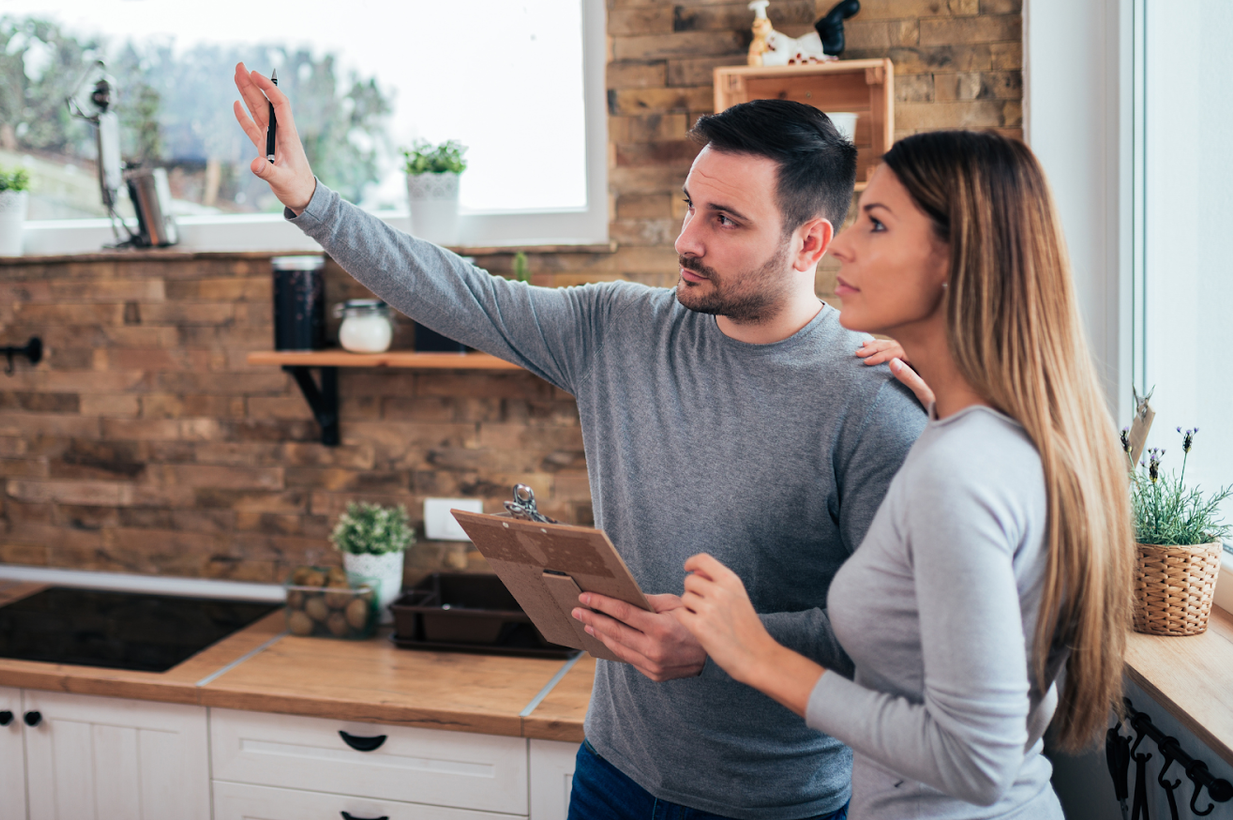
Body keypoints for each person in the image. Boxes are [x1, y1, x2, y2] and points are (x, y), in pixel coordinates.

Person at [232, 63, 928, 820]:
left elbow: (900, 634)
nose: (685, 240)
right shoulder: (618, 328)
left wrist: (725, 642)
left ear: (809, 243)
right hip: (612, 775)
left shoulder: (873, 402)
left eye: (725, 220)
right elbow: (461, 294)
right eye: (690, 207)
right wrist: (310, 199)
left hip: (774, 804)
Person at [674, 130, 1134, 819]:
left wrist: (755, 654)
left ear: (957, 260)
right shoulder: (994, 435)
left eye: (878, 224)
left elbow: (976, 760)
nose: (845, 244)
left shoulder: (961, 470)